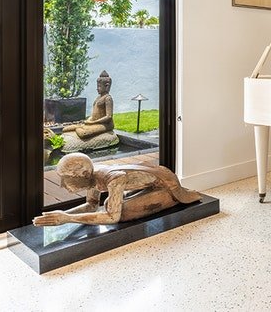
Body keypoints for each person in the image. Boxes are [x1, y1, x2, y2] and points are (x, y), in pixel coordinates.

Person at [32, 153, 203, 226]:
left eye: (67, 179)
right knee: (110, 204)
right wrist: (63, 214)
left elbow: (113, 217)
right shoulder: (93, 176)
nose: (62, 185)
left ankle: (172, 200)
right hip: (152, 181)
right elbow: (91, 206)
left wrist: (68, 219)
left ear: (84, 174)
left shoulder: (114, 178)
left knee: (120, 210)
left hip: (167, 185)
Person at [63, 70, 114, 139]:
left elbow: (109, 117)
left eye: (99, 86)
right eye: (97, 86)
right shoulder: (98, 98)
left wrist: (93, 122)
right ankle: (79, 127)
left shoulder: (108, 98)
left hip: (105, 125)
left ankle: (78, 128)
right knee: (65, 129)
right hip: (94, 122)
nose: (97, 88)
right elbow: (95, 113)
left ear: (106, 86)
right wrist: (89, 120)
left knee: (83, 133)